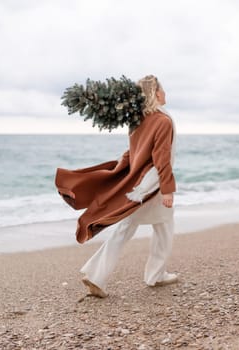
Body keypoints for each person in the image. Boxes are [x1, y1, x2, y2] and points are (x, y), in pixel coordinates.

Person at [55, 75, 178, 298]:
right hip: (151, 185)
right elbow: (162, 158)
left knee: (125, 229)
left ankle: (95, 275)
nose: (166, 93)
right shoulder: (163, 121)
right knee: (165, 228)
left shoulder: (138, 120)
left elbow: (131, 152)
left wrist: (119, 172)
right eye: (163, 89)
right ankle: (155, 275)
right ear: (155, 93)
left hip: (137, 185)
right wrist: (168, 189)